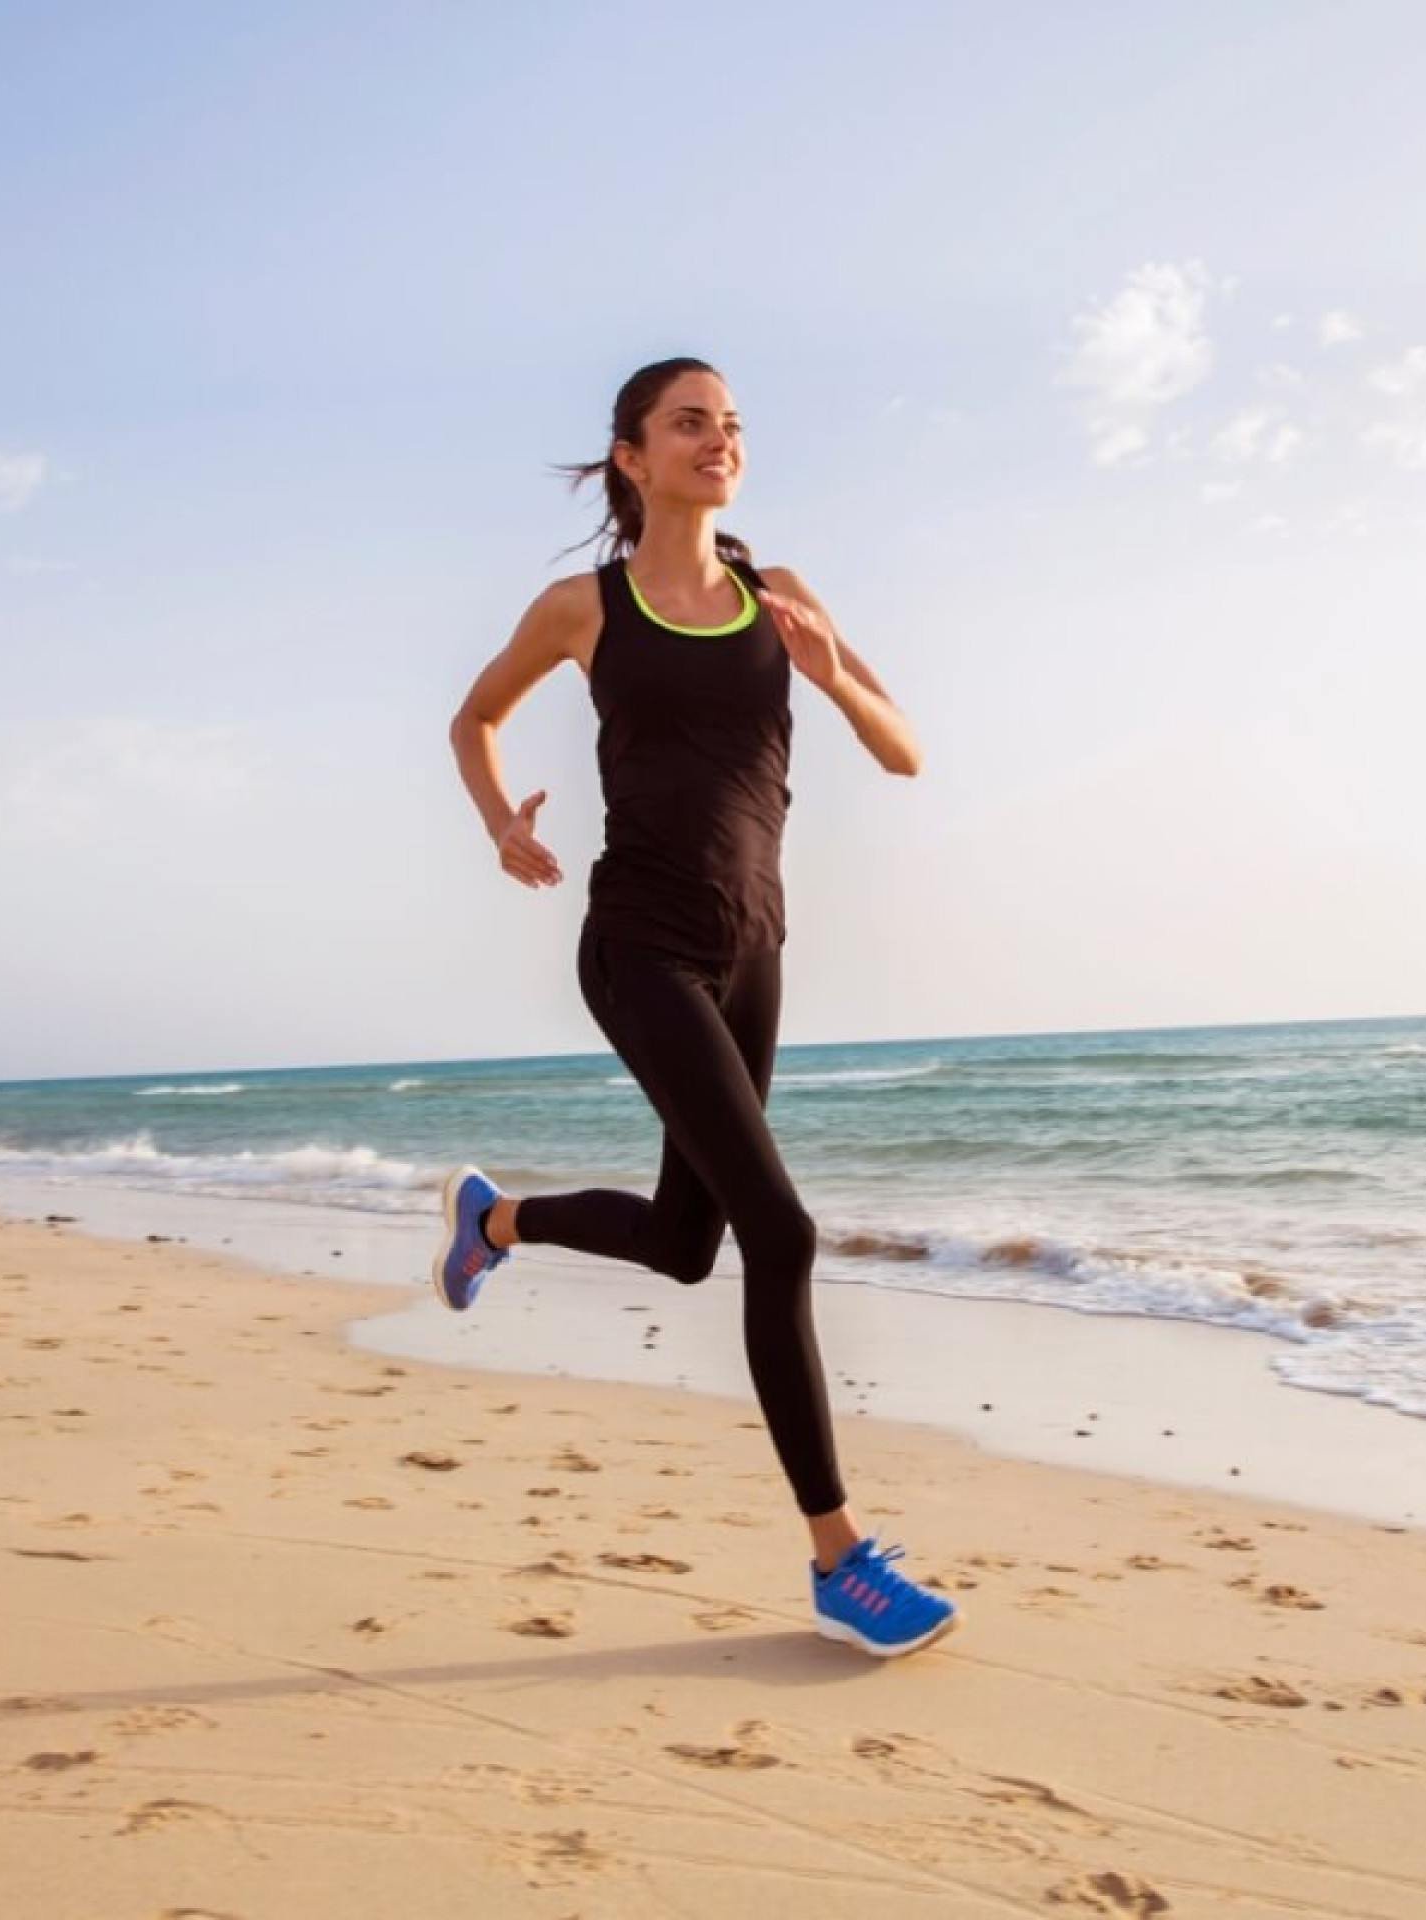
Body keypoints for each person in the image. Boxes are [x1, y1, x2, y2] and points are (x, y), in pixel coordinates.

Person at [436, 357, 955, 1658]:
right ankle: (841, 1562)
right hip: (641, 948)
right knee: (780, 1234)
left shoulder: (781, 599)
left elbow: (906, 751)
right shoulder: (584, 606)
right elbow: (475, 718)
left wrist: (831, 672)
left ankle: (493, 1218)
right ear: (632, 457)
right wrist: (504, 825)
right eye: (690, 424)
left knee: (686, 1241)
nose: (718, 440)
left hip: (754, 950)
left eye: (730, 425)